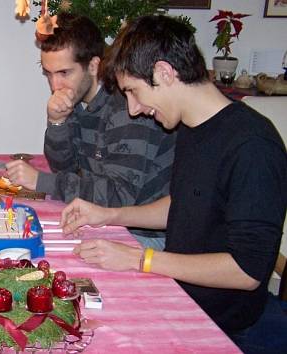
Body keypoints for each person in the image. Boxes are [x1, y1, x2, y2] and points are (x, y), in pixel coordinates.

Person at [61, 15, 287, 352]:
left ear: (165, 73)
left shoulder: (252, 146)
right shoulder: (191, 129)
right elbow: (183, 205)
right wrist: (107, 215)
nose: (134, 110)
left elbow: (247, 270)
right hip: (176, 293)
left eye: (134, 92)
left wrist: (140, 259)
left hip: (223, 327)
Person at [6, 13, 176, 250]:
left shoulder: (129, 107)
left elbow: (117, 197)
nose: (55, 86)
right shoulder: (79, 100)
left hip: (146, 237)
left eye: (64, 73)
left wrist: (41, 181)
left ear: (94, 66)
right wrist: (56, 122)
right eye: (48, 73)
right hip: (107, 222)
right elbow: (64, 168)